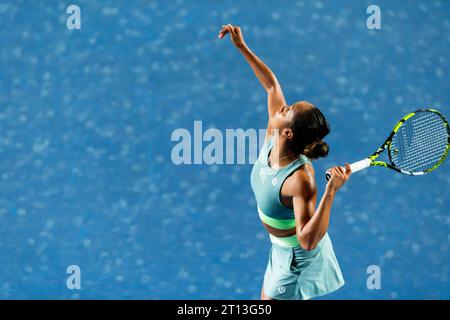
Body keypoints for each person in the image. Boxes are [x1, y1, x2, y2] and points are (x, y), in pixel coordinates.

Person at [218, 24, 352, 300]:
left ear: (288, 132)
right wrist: (242, 47)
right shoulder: (273, 134)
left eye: (288, 110)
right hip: (278, 249)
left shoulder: (300, 179)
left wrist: (331, 192)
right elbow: (271, 85)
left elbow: (308, 240)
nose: (281, 106)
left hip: (296, 259)